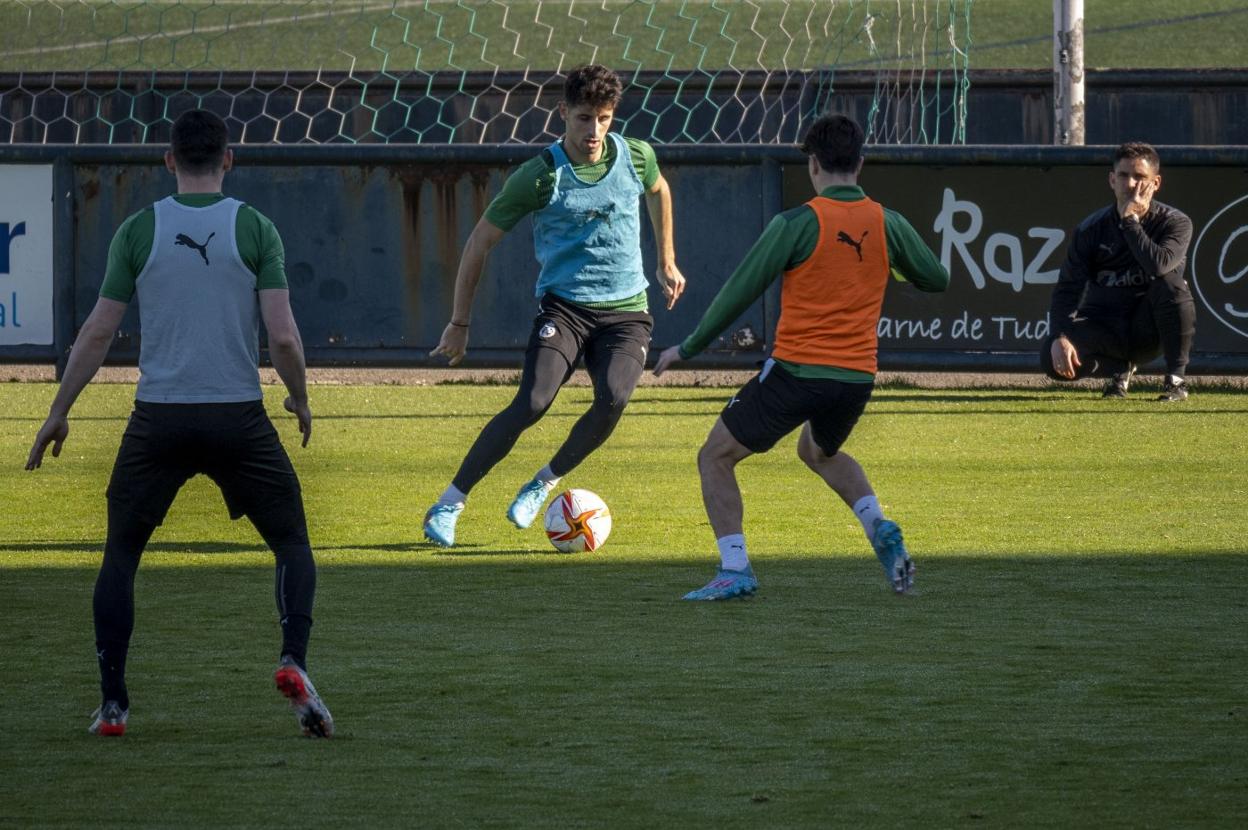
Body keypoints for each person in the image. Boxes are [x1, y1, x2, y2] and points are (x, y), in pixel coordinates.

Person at [25, 110, 332, 738]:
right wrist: (299, 399)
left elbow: (98, 331)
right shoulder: (255, 227)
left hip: (158, 418)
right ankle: (292, 663)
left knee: (121, 557)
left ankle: (113, 706)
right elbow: (284, 337)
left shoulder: (140, 229)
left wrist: (59, 411)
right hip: (238, 417)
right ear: (228, 159)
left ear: (169, 161)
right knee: (292, 543)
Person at [652, 114, 949, 600]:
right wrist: (887, 264)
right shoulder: (886, 221)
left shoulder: (797, 222)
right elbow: (935, 278)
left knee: (715, 456)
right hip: (856, 378)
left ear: (812, 163)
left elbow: (738, 292)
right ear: (860, 162)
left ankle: (736, 568)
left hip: (796, 372)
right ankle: (879, 528)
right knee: (819, 451)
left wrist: (687, 347)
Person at [422, 64, 686, 547]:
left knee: (614, 399)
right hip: (565, 309)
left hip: (627, 312)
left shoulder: (637, 157)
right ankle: (448, 503)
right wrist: (459, 322)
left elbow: (660, 190)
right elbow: (479, 242)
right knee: (534, 401)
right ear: (563, 113)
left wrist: (666, 260)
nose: (594, 131)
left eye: (604, 118)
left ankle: (544, 480)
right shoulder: (541, 176)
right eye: (584, 118)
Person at [1042, 142, 1196, 401]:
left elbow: (1158, 265)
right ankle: (1117, 371)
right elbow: (1067, 289)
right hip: (1106, 327)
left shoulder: (1175, 222)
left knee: (1172, 285)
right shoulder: (1090, 229)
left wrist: (1130, 221)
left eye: (1140, 177)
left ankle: (1175, 381)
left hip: (1150, 330)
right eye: (1124, 176)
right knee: (1050, 355)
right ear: (1112, 180)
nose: (1131, 184)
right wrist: (1060, 335)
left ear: (1155, 183)